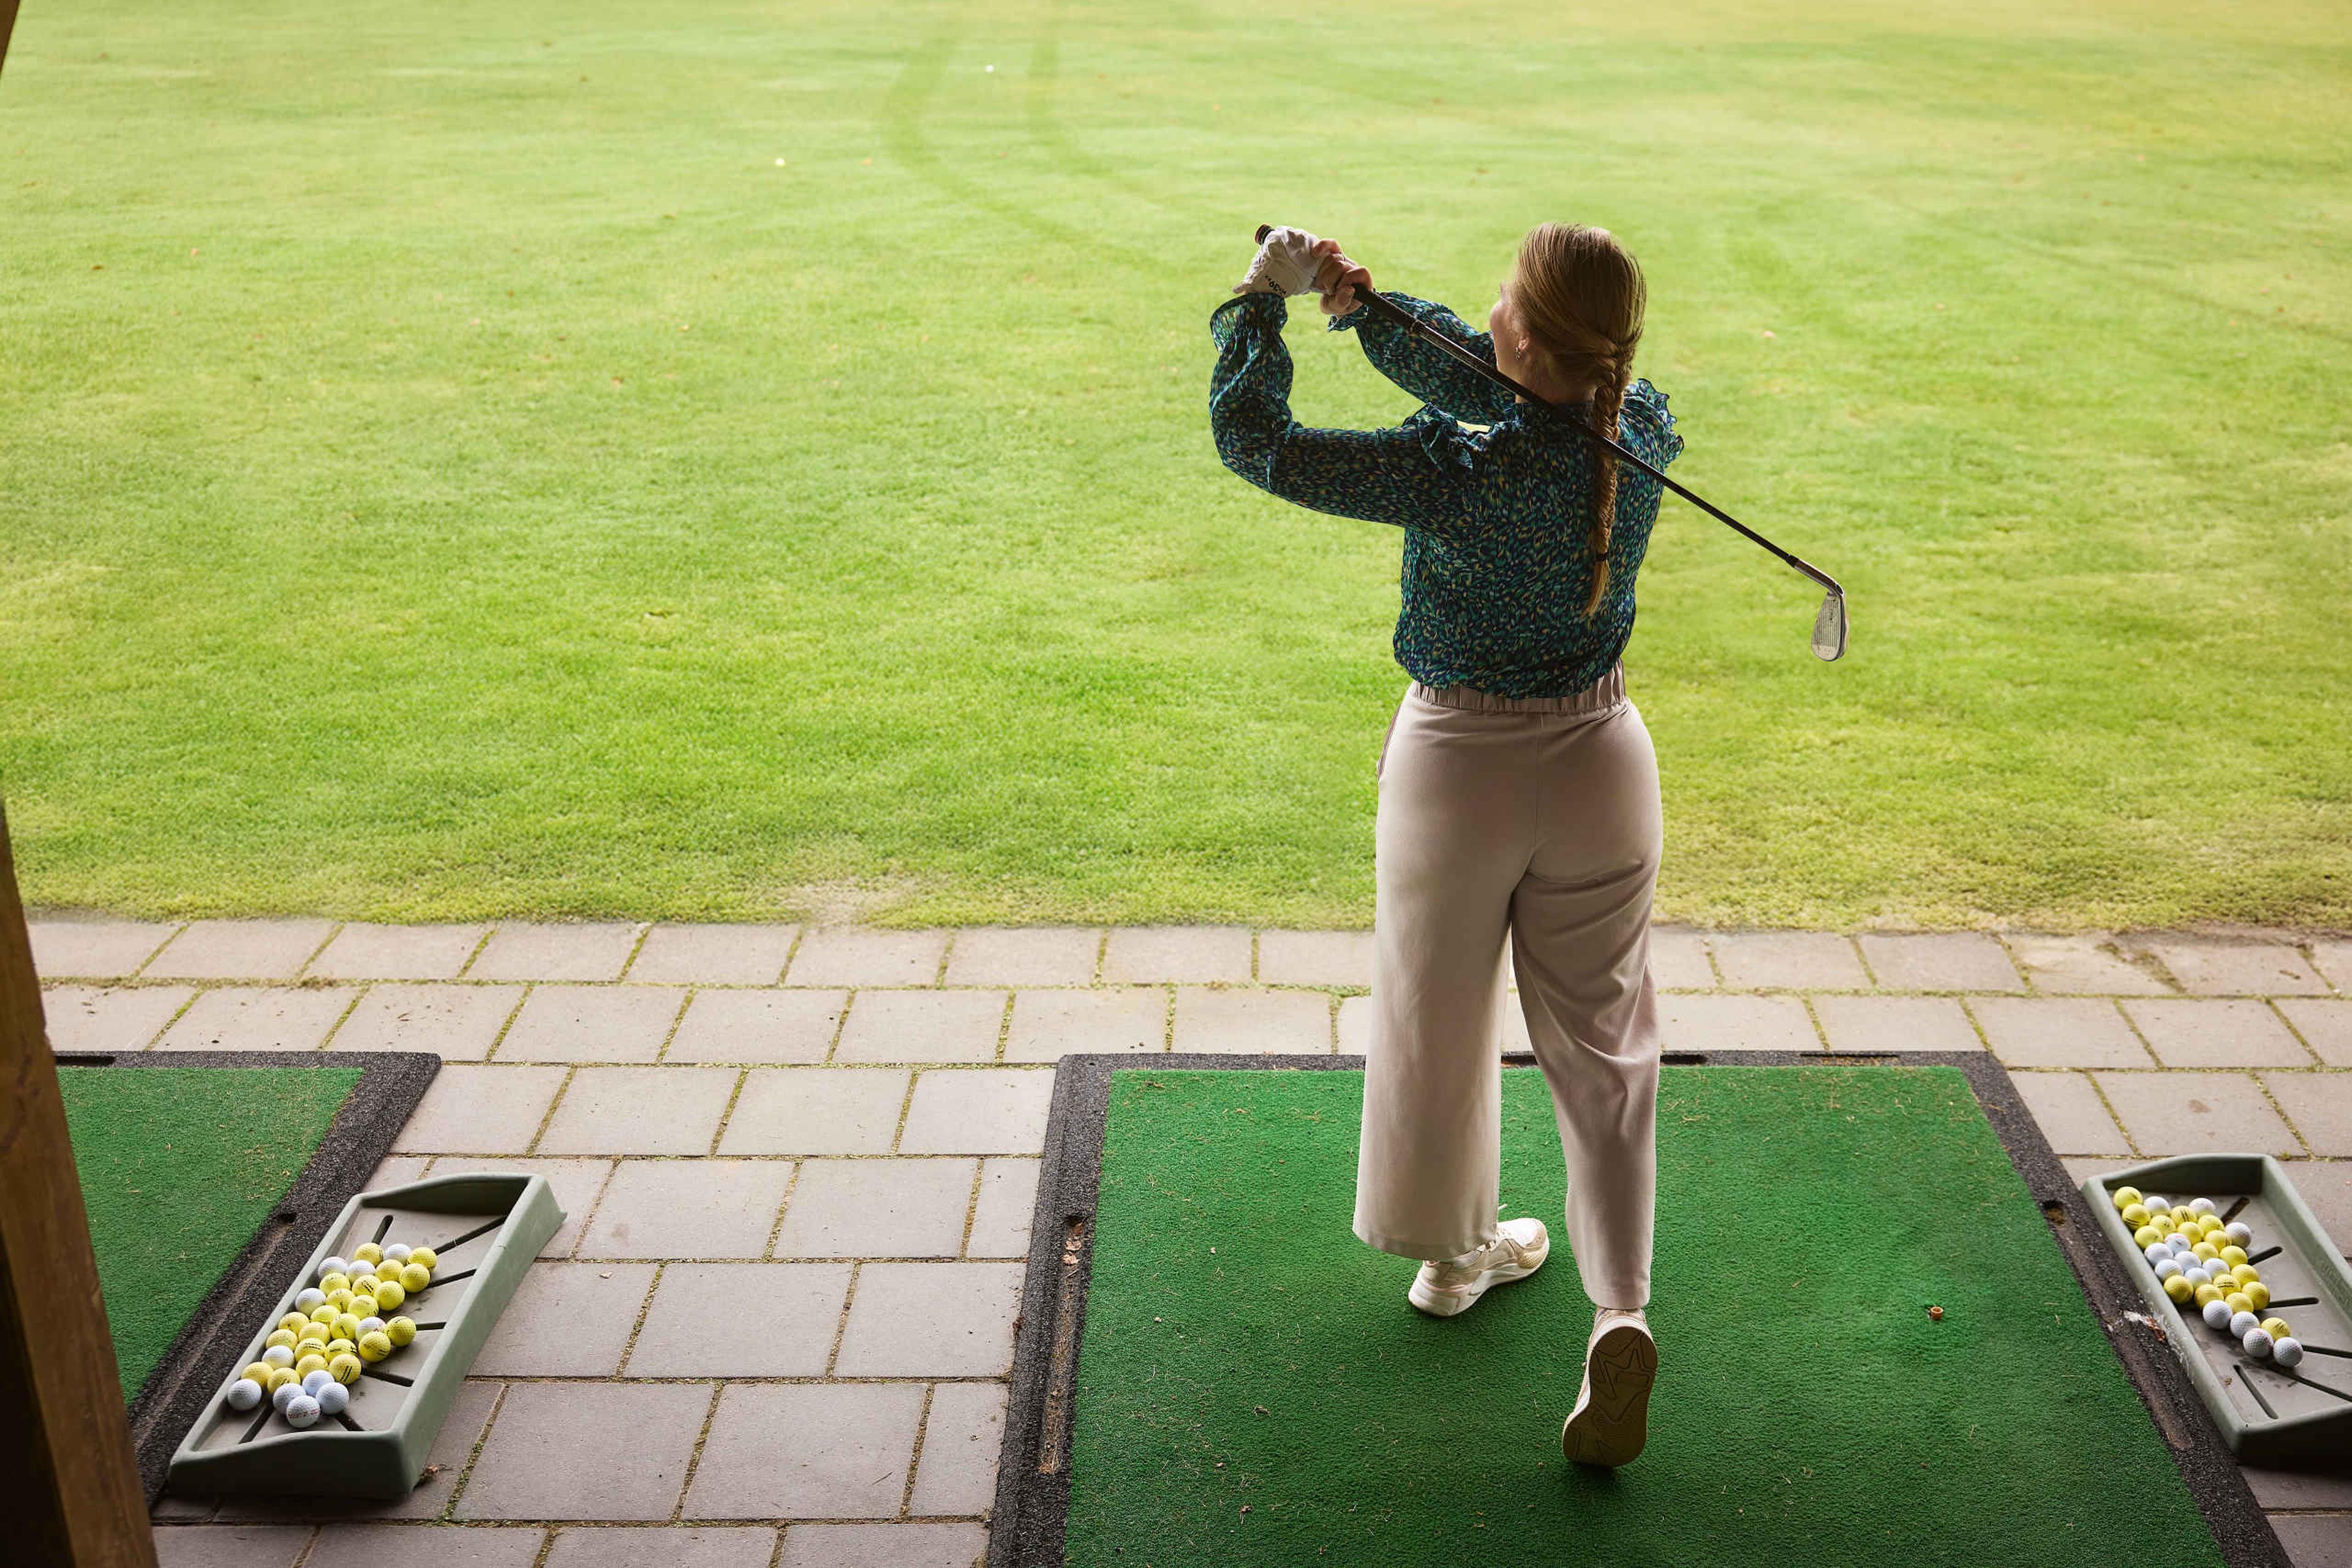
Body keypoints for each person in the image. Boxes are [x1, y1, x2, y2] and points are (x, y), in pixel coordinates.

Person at [1208, 223, 1681, 1466]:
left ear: (1522, 332)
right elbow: (1504, 380)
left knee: (1436, 1013)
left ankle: (1453, 1258)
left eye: (1502, 306)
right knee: (1607, 1049)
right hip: (1601, 765)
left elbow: (1258, 444)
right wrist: (1364, 310)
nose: (1486, 317)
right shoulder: (1649, 430)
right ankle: (1619, 1306)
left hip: (1458, 771)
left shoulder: (1452, 473)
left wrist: (1258, 308)